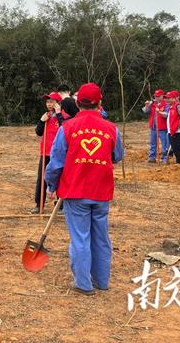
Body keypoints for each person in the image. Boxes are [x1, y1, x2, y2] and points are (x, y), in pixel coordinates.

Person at [45, 83, 124, 295]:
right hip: (101, 191)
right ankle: (102, 281)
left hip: (75, 191)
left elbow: (56, 162)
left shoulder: (67, 128)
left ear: (78, 103)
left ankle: (83, 283)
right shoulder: (111, 129)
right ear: (100, 103)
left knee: (80, 237)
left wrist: (51, 185)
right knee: (101, 237)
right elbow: (117, 156)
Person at [30, 91, 69, 215]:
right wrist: (41, 121)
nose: (49, 104)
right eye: (47, 102)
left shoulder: (64, 116)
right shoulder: (46, 116)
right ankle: (39, 205)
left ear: (58, 103)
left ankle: (61, 206)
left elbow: (66, 129)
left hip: (59, 154)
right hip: (45, 152)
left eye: (52, 101)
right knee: (42, 179)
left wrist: (58, 114)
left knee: (61, 179)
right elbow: (38, 132)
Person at [142, 89, 169, 163]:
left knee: (164, 144)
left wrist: (159, 112)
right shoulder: (152, 104)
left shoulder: (166, 104)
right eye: (155, 96)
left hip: (163, 128)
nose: (156, 98)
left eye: (158, 96)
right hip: (153, 127)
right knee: (153, 143)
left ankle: (164, 158)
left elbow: (166, 115)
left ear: (162, 96)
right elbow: (145, 111)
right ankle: (152, 157)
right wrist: (147, 105)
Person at [165, 91, 180, 164]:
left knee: (176, 148)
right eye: (166, 98)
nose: (167, 99)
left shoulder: (177, 106)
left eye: (169, 98)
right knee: (174, 148)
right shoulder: (171, 107)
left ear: (174, 99)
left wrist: (177, 126)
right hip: (172, 131)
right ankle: (179, 162)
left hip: (177, 131)